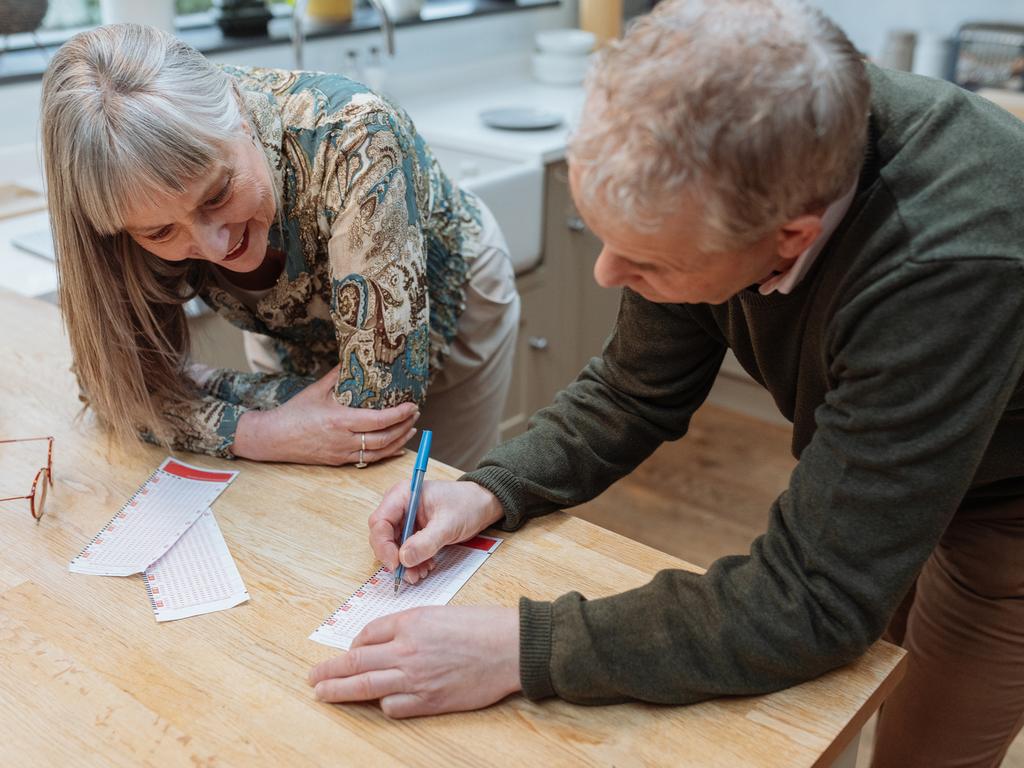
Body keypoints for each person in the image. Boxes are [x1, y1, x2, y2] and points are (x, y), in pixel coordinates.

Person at [307, 1, 1024, 765]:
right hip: (902, 429)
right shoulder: (739, 153)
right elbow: (632, 388)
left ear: (791, 238)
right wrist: (488, 489)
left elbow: (813, 600)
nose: (608, 274)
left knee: (923, 748)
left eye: (650, 264)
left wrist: (521, 648)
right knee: (844, 677)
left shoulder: (950, 266)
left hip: (1009, 494)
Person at [40, 23, 519, 470]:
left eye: (217, 195)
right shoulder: (115, 196)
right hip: (290, 328)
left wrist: (203, 398)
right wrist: (263, 432)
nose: (213, 245)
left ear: (240, 117)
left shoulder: (357, 138)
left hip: (449, 298)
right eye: (161, 233)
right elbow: (109, 383)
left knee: (434, 499)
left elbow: (378, 409)